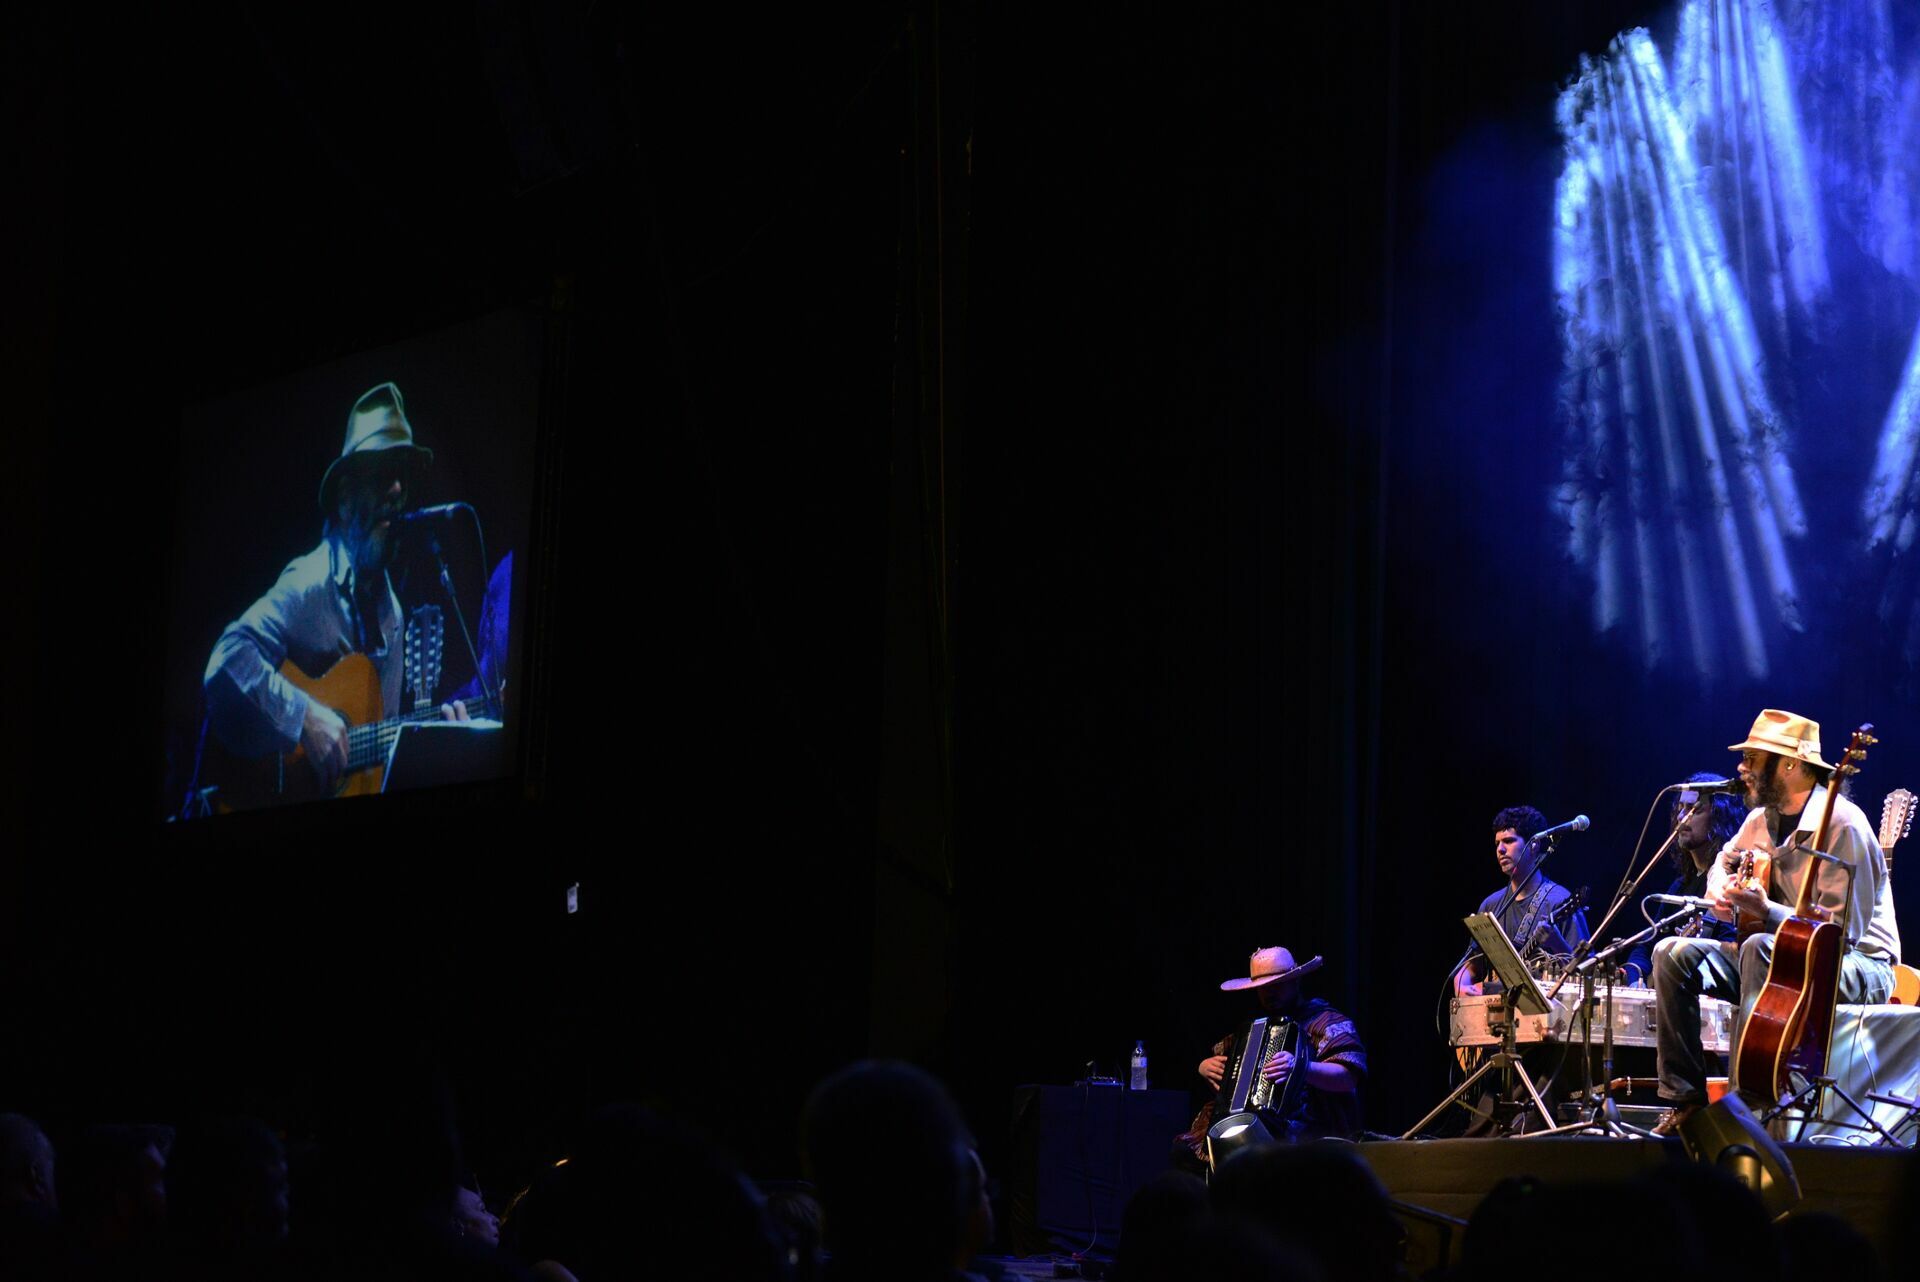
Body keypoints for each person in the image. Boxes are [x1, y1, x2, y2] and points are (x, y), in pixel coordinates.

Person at [202, 382, 466, 798]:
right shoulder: (309, 583)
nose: (397, 490)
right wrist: (304, 717)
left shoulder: (391, 614)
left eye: (403, 475)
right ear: (345, 499)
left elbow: (384, 756)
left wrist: (440, 746)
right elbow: (225, 662)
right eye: (382, 474)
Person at [1651, 709, 1903, 1133]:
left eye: (1752, 758)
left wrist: (1766, 911)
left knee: (1757, 947)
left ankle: (1747, 1101)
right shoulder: (1758, 820)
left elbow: (1841, 936)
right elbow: (1724, 859)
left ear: (1789, 764)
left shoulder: (1845, 825)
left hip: (1861, 966)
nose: (1741, 768)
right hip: (1779, 958)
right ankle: (1686, 1100)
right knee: (1671, 954)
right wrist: (1717, 886)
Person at [1177, 946, 1367, 1162]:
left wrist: (1302, 1068)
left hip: (1315, 1135)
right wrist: (1205, 1066)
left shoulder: (1326, 1022)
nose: (1269, 992)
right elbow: (1228, 1080)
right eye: (1262, 987)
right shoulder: (1250, 1031)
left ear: (1295, 981)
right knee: (1187, 1153)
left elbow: (1348, 1077)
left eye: (1277, 985)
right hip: (1255, 1135)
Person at [1454, 805, 1589, 997]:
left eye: (1508, 841)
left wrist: (1557, 943)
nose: (1500, 850)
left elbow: (1586, 974)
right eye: (1497, 843)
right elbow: (1471, 966)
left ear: (1533, 846)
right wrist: (1460, 983)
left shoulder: (1559, 900)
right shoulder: (1490, 905)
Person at [1620, 774, 1742, 987]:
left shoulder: (1730, 884)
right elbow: (1646, 944)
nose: (1682, 817)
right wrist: (1634, 976)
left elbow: (1730, 950)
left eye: (1694, 809)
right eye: (1681, 808)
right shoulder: (1680, 886)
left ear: (1719, 818)